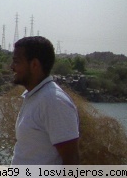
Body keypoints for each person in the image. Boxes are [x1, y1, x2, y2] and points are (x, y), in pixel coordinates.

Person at [10, 36, 80, 165]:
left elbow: (71, 160)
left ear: (34, 64)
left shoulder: (53, 101)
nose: (12, 67)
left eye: (16, 61)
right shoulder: (36, 96)